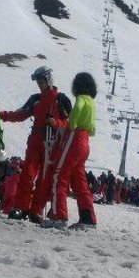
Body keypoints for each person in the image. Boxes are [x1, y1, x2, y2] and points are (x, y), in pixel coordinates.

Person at [0, 66, 71, 222]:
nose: (39, 84)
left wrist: (56, 122)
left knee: (44, 179)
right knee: (27, 174)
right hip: (35, 140)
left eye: (41, 81)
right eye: (38, 82)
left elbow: (70, 123)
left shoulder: (61, 100)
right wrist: (1, 115)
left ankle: (35, 211)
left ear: (48, 80)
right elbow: (20, 114)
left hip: (52, 143)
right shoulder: (35, 99)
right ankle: (21, 208)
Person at [41, 72, 97, 230]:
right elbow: (92, 127)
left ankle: (59, 216)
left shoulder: (80, 99)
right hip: (85, 140)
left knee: (59, 175)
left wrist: (71, 124)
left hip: (74, 138)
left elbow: (76, 111)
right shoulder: (92, 102)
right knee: (80, 181)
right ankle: (88, 218)